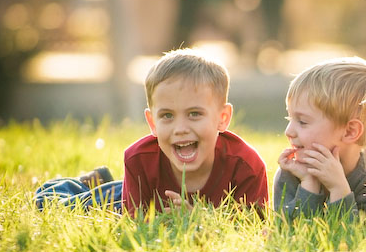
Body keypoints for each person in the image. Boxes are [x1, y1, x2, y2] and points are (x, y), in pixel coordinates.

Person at [35, 48, 269, 215]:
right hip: (131, 197)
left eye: (194, 114)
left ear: (223, 118)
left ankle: (107, 181)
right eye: (167, 115)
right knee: (48, 202)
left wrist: (201, 221)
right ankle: (89, 183)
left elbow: (251, 227)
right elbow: (135, 223)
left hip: (162, 201)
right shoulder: (139, 160)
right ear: (152, 122)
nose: (180, 129)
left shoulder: (246, 167)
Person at [273, 56, 366, 218]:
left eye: (302, 121)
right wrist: (309, 184)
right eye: (290, 118)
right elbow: (289, 231)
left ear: (350, 131)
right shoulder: (291, 174)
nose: (288, 131)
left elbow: (353, 235)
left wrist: (338, 189)